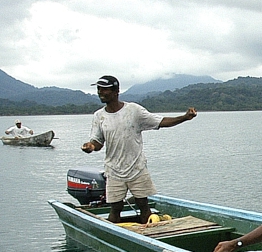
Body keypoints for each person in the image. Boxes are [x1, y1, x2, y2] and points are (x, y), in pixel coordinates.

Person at [80, 75, 197, 223]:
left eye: (104, 89)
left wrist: (184, 117)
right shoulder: (99, 116)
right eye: (98, 89)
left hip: (137, 168)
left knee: (143, 205)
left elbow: (160, 122)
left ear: (116, 91)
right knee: (115, 207)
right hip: (114, 170)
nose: (100, 92)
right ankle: (115, 235)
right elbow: (97, 142)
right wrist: (90, 146)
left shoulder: (133, 110)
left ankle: (149, 235)